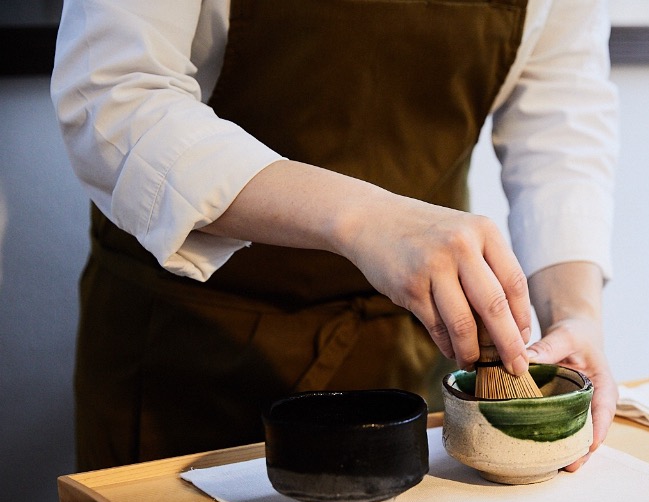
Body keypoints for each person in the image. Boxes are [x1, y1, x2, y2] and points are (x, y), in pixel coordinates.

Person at [51, 0, 619, 472]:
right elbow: (116, 98)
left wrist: (575, 313)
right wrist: (367, 220)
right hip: (190, 357)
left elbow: (561, 118)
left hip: (408, 357)